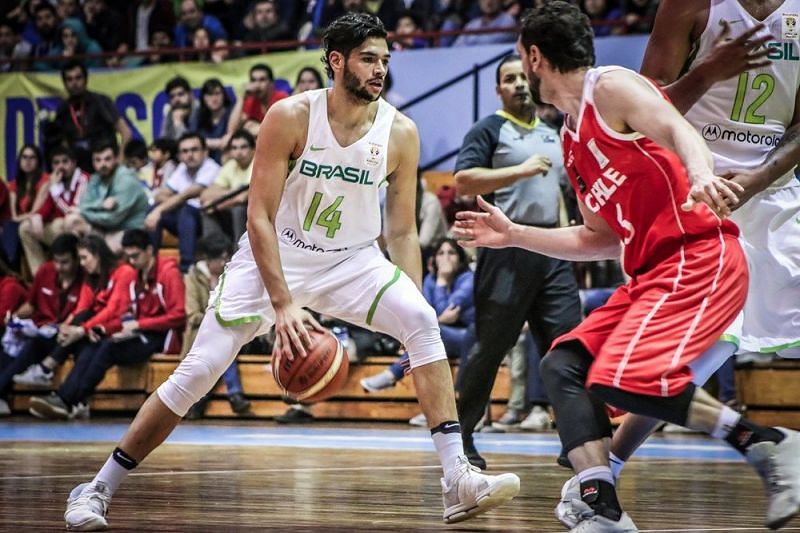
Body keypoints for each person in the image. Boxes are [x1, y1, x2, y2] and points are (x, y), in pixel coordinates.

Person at [63, 13, 520, 531]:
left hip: (352, 261)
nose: (380, 70)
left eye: (385, 61)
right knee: (197, 373)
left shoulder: (401, 133)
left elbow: (402, 233)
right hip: (275, 258)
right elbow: (257, 216)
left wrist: (410, 309)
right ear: (336, 61)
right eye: (369, 59)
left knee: (422, 318)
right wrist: (283, 303)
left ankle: (457, 479)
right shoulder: (291, 116)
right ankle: (98, 487)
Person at [454, 2, 800, 531]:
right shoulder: (572, 139)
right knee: (563, 365)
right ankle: (601, 504)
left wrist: (702, 173)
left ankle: (768, 445)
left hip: (699, 254)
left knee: (624, 375)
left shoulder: (610, 86)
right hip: (650, 275)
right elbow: (599, 238)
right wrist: (514, 235)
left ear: (533, 56)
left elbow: (677, 127)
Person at [556, 0, 800, 526]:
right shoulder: (692, 5)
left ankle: (604, 476)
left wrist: (754, 182)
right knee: (684, 361)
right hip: (690, 196)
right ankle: (605, 474)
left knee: (655, 370)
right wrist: (709, 71)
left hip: (772, 196)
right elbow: (648, 107)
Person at [453, 53, 582, 469]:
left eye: (522, 77)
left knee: (569, 346)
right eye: (509, 79)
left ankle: (579, 440)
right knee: (490, 348)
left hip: (552, 251)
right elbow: (462, 181)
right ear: (498, 90)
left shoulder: (553, 133)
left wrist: (570, 242)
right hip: (505, 252)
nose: (519, 85)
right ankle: (463, 436)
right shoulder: (488, 129)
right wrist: (520, 172)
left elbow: (563, 196)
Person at [29, 229, 185, 420]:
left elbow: (178, 315)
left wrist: (139, 323)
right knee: (97, 342)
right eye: (128, 257)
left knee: (108, 348)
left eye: (135, 256)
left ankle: (71, 400)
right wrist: (104, 328)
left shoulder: (168, 273)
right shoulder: (136, 275)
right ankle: (67, 399)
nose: (132, 261)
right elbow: (127, 315)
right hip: (139, 331)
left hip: (162, 336)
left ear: (150, 250)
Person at [360, 237, 476, 394]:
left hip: (467, 339)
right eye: (441, 253)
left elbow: (444, 311)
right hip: (441, 339)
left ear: (460, 258)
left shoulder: (468, 279)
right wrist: (437, 320)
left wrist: (442, 281)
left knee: (433, 335)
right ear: (434, 259)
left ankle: (392, 374)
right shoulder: (430, 280)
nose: (446, 258)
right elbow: (423, 314)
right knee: (431, 339)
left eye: (451, 253)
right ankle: (436, 410)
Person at [0, 233, 84, 415]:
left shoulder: (85, 279)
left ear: (77, 259)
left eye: (65, 262)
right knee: (18, 343)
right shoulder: (46, 271)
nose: (59, 267)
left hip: (66, 335)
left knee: (34, 344)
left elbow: (83, 313)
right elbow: (30, 305)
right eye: (56, 261)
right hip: (41, 330)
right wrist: (14, 318)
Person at [182, 235, 251, 418]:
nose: (223, 262)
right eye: (219, 258)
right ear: (207, 258)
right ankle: (234, 394)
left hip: (231, 330)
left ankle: (201, 401)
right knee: (219, 347)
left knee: (224, 345)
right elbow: (192, 314)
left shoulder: (232, 276)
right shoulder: (193, 277)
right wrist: (216, 317)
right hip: (199, 334)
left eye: (226, 257)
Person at [146, 132, 220, 273]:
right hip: (183, 217)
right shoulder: (182, 169)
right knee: (154, 208)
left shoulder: (211, 168)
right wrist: (168, 205)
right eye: (185, 151)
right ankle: (150, 264)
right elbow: (160, 195)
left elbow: (188, 194)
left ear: (205, 152)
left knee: (184, 210)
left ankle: (187, 268)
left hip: (206, 220)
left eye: (194, 150)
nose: (189, 155)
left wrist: (164, 208)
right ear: (179, 155)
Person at [44, 60, 132, 171]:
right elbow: (64, 144)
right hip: (79, 172)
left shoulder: (101, 101)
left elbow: (126, 133)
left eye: (78, 78)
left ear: (86, 79)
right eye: (69, 79)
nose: (74, 83)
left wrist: (120, 159)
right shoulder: (63, 109)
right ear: (64, 83)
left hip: (105, 168)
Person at [67, 139, 149, 254]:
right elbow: (84, 203)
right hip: (106, 229)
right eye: (98, 160)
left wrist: (83, 211)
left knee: (105, 252)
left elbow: (112, 219)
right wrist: (100, 204)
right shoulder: (96, 178)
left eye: (107, 159)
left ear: (116, 159)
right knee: (72, 221)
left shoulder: (126, 180)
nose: (102, 164)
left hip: (127, 229)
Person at [19, 145, 89, 274]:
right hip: (59, 230)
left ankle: (73, 274)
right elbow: (46, 207)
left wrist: (55, 189)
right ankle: (41, 275)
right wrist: (38, 216)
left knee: (61, 223)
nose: (60, 166)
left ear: (73, 163)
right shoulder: (56, 181)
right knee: (25, 228)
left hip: (77, 230)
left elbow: (71, 210)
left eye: (65, 161)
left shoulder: (84, 179)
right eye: (56, 163)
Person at [200, 130, 254, 242]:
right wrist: (234, 191)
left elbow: (243, 198)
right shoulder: (231, 165)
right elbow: (205, 195)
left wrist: (215, 206)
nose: (239, 152)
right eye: (234, 148)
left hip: (251, 211)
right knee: (205, 209)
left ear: (253, 149)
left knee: (238, 209)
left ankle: (237, 251)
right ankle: (216, 252)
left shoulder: (258, 164)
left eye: (243, 147)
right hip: (230, 206)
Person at [226, 63, 289, 139]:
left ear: (271, 83)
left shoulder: (282, 99)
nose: (257, 85)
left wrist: (259, 129)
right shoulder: (251, 101)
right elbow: (231, 131)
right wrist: (242, 98)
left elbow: (284, 130)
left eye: (262, 80)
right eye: (253, 80)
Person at [189, 78, 233, 162]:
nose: (214, 98)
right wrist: (218, 143)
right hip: (202, 162)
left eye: (217, 93)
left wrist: (206, 143)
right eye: (209, 94)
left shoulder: (231, 112)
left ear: (224, 95)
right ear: (203, 98)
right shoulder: (198, 114)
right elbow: (191, 139)